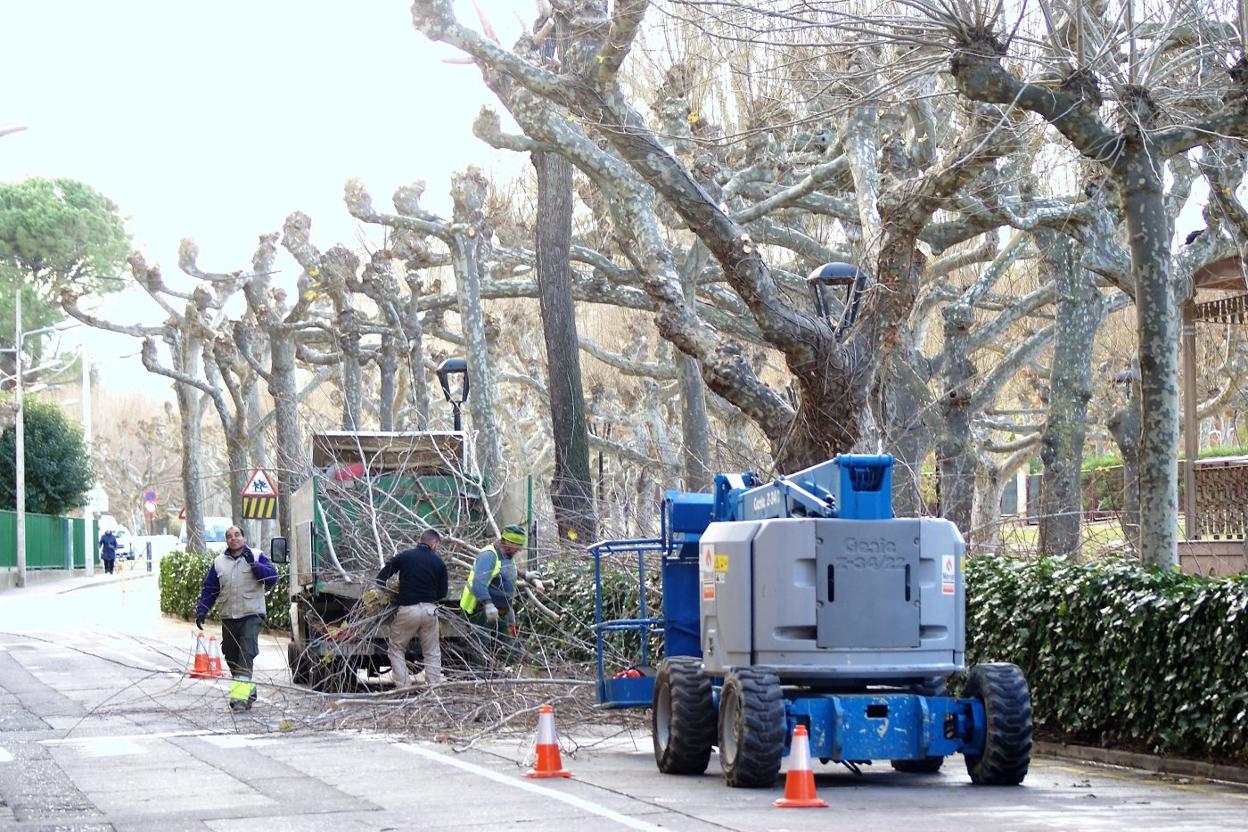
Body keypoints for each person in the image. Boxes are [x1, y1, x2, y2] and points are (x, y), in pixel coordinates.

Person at [194, 525, 278, 711]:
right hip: (229, 616)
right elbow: (210, 589)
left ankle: (239, 698)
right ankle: (249, 690)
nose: (234, 538)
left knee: (245, 654)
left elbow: (272, 578)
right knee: (231, 656)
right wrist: (202, 610)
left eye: (237, 535)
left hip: (252, 614)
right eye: (230, 536)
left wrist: (254, 565)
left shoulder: (256, 555)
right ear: (227, 541)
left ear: (244, 538)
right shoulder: (219, 562)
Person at [376, 528, 448, 688]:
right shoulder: (439, 563)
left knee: (396, 649)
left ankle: (404, 689)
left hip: (408, 610)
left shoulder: (405, 556)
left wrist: (384, 592)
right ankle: (434, 689)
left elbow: (381, 577)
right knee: (432, 652)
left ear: (420, 540)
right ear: (434, 544)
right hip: (430, 610)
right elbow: (442, 593)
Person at [459, 524, 537, 662]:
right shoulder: (488, 555)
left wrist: (524, 575)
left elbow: (505, 569)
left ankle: (505, 674)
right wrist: (488, 604)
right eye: (516, 546)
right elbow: (479, 582)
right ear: (507, 542)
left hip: (502, 610)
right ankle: (478, 678)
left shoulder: (507, 554)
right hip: (481, 610)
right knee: (481, 645)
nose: (518, 550)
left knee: (506, 645)